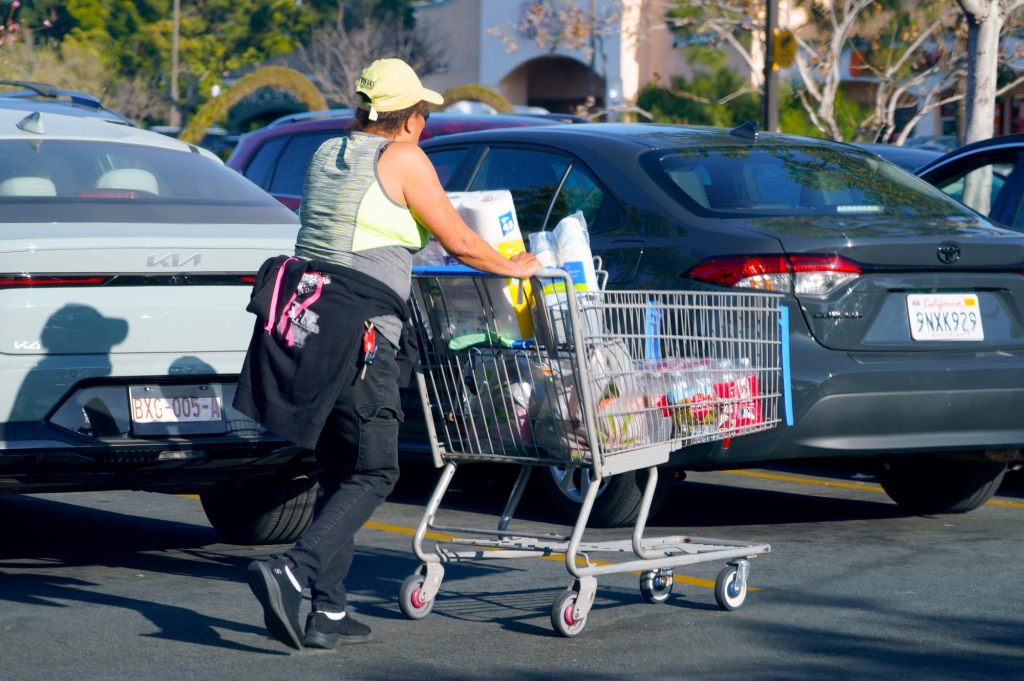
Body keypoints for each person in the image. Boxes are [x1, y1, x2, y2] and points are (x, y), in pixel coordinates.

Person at [235, 57, 540, 651]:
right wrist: (514, 266)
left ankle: (328, 610)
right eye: (423, 114)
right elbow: (460, 240)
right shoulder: (402, 158)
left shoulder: (327, 152)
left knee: (339, 469)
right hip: (361, 330)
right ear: (410, 118)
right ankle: (293, 570)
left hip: (307, 318)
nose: (424, 125)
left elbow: (363, 228)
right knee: (377, 469)